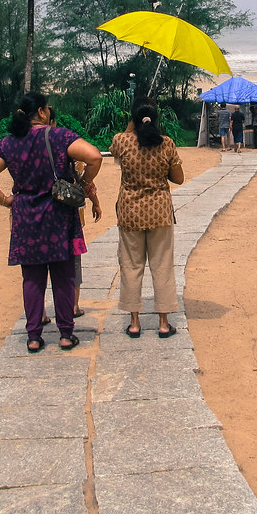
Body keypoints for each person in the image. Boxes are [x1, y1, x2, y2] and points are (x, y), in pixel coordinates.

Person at [0, 92, 102, 353]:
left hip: (26, 217)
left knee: (31, 279)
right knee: (64, 277)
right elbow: (94, 156)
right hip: (58, 215)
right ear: (43, 112)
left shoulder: (9, 143)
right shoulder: (59, 136)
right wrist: (83, 182)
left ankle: (34, 336)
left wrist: (5, 200)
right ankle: (66, 334)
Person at [110, 98, 184, 338]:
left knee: (131, 265)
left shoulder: (122, 141)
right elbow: (179, 178)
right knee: (161, 265)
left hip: (130, 212)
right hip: (159, 212)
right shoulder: (167, 144)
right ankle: (163, 323)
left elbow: (117, 147)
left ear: (133, 118)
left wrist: (132, 122)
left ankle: (134, 322)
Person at [39, 108, 100, 324]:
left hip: (35, 217)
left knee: (38, 267)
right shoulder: (67, 146)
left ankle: (42, 312)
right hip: (66, 214)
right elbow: (85, 174)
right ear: (52, 122)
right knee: (72, 261)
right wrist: (94, 201)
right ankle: (72, 306)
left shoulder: (26, 146)